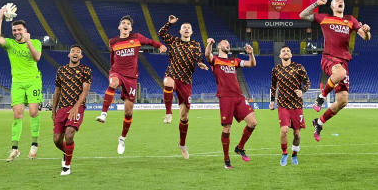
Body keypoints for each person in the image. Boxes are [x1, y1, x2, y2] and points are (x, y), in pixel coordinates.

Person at [298, 0, 371, 141]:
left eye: (342, 0)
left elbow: (365, 37)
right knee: (340, 73)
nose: (340, 2)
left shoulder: (350, 19)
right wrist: (316, 3)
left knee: (343, 101)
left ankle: (318, 122)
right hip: (329, 58)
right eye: (337, 0)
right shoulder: (324, 18)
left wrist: (367, 30)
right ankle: (321, 98)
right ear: (331, 6)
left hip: (343, 61)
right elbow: (302, 15)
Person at [95, 15, 166, 156]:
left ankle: (122, 138)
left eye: (128, 23)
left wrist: (160, 45)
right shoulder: (113, 41)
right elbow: (112, 58)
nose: (126, 25)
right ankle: (103, 114)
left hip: (131, 77)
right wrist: (112, 71)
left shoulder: (137, 37)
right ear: (119, 27)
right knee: (113, 83)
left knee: (128, 112)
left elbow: (150, 41)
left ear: (131, 28)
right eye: (123, 23)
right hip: (116, 72)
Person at [0, 5, 43, 161]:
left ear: (25, 30)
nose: (16, 32)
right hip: (17, 83)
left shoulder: (35, 42)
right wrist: (0, 15)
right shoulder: (10, 44)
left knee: (34, 112)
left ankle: (34, 144)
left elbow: (37, 57)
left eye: (19, 30)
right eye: (14, 30)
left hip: (33, 81)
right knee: (17, 114)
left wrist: (28, 43)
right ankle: (15, 148)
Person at [157, 15, 208, 159]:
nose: (186, 29)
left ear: (191, 32)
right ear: (180, 31)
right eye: (184, 27)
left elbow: (199, 58)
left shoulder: (196, 45)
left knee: (184, 117)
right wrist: (169, 23)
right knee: (167, 82)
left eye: (189, 28)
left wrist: (200, 64)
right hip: (173, 75)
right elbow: (161, 33)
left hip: (186, 81)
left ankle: (182, 144)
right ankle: (168, 113)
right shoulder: (174, 41)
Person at [206, 38, 257, 169]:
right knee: (227, 128)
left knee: (252, 122)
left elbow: (252, 64)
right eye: (224, 42)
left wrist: (251, 54)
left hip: (238, 96)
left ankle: (240, 148)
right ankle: (226, 159)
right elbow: (207, 55)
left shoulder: (234, 61)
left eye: (228, 43)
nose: (227, 44)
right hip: (225, 97)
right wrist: (209, 44)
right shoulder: (215, 60)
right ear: (219, 46)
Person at [51, 45, 92, 176]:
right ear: (69, 55)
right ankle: (66, 153)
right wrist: (53, 111)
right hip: (62, 108)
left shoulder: (85, 70)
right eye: (73, 51)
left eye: (78, 52)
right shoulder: (61, 70)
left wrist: (76, 107)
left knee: (69, 134)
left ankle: (67, 167)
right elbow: (57, 91)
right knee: (57, 139)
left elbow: (85, 91)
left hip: (77, 107)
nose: (75, 53)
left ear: (81, 56)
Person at [269, 46, 310, 166]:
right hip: (283, 104)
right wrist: (272, 101)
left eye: (288, 51)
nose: (286, 52)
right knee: (284, 130)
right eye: (283, 51)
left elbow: (307, 82)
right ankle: (284, 153)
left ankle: (294, 155)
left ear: (291, 55)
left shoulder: (299, 67)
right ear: (280, 56)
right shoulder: (276, 69)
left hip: (297, 105)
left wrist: (302, 90)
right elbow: (273, 86)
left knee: (297, 133)